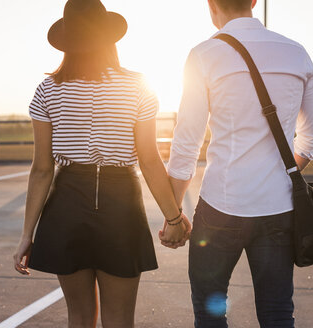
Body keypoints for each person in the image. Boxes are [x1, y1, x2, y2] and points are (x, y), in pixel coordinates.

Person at [12, 1, 190, 327]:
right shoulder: (138, 86)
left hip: (65, 205)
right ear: (109, 36)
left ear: (67, 40)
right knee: (120, 319)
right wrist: (174, 217)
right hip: (121, 204)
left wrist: (27, 233)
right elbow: (149, 160)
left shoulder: (47, 90)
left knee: (78, 317)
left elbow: (41, 169)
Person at [164, 0, 313, 327]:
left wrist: (174, 214)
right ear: (254, 2)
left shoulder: (204, 55)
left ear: (211, 4)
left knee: (210, 314)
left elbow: (186, 145)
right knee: (277, 312)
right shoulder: (296, 53)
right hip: (278, 207)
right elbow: (312, 140)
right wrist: (281, 175)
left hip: (219, 208)